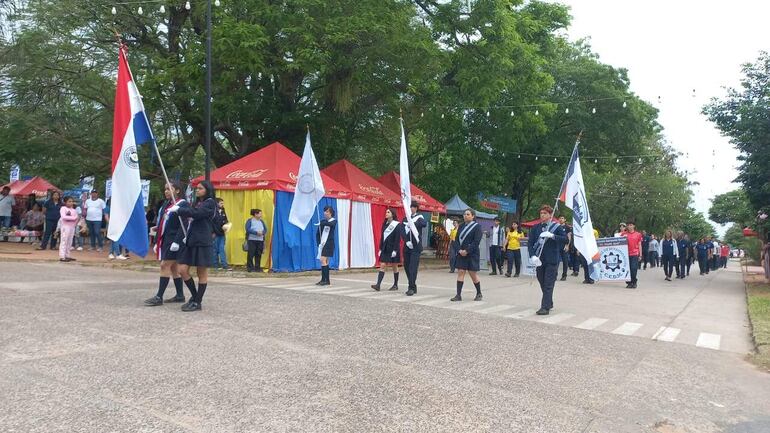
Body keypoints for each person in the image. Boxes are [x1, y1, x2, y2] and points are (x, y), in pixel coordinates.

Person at [174, 181, 217, 312]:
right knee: (182, 269)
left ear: (207, 190)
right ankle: (194, 297)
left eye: (200, 188)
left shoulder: (210, 202)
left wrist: (180, 210)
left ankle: (197, 302)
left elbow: (197, 213)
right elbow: (193, 214)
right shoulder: (197, 203)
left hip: (203, 241)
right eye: (196, 188)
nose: (197, 190)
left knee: (201, 272)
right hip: (192, 240)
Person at [144, 181, 189, 306]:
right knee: (174, 268)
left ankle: (159, 296)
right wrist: (158, 229)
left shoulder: (183, 204)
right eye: (165, 189)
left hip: (175, 240)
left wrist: (177, 241)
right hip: (166, 238)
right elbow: (166, 222)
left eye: (169, 189)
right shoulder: (167, 204)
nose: (166, 191)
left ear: (177, 191)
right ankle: (180, 295)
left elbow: (184, 224)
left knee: (164, 265)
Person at [527, 205, 568, 315]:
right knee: (542, 282)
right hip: (539, 260)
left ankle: (545, 308)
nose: (542, 215)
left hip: (552, 259)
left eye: (545, 213)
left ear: (550, 215)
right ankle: (549, 302)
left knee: (548, 284)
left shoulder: (557, 227)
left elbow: (565, 239)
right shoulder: (536, 228)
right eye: (541, 213)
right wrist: (532, 256)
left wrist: (553, 236)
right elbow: (530, 243)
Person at [450, 208, 483, 302]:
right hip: (461, 253)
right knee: (461, 272)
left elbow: (476, 242)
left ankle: (479, 293)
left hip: (472, 253)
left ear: (473, 216)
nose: (465, 216)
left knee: (473, 274)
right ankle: (458, 295)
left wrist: (467, 251)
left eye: (468, 214)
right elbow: (455, 240)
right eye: (464, 214)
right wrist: (459, 250)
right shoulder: (460, 226)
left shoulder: (477, 227)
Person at [371, 208, 402, 291]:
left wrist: (395, 250)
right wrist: (380, 248)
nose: (386, 213)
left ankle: (395, 285)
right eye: (386, 212)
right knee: (383, 265)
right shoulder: (385, 223)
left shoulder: (397, 224)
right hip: (385, 248)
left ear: (393, 214)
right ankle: (378, 285)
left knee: (394, 266)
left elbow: (397, 238)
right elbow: (382, 237)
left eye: (388, 212)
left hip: (393, 248)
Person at [402, 201, 427, 296]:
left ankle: (411, 287)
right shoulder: (405, 218)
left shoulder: (419, 217)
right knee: (406, 266)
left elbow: (424, 224)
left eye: (413, 207)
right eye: (410, 207)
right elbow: (402, 230)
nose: (411, 208)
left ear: (416, 208)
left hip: (416, 246)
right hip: (407, 245)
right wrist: (406, 240)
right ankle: (413, 284)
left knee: (413, 267)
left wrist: (413, 224)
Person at [316, 206, 337, 286]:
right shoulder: (323, 221)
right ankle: (325, 280)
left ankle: (325, 280)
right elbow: (318, 233)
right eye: (325, 211)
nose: (325, 213)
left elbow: (330, 224)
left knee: (323, 259)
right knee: (325, 261)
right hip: (322, 243)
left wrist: (322, 223)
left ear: (331, 213)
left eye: (327, 211)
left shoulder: (334, 221)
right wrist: (318, 242)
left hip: (329, 244)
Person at [621, 221, 643, 289]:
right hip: (626, 254)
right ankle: (629, 283)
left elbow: (639, 244)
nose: (629, 226)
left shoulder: (638, 234)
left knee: (633, 268)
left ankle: (634, 282)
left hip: (635, 253)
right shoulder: (624, 234)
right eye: (628, 225)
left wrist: (640, 255)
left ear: (634, 226)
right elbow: (620, 243)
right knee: (628, 269)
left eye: (631, 225)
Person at [58, 196, 78, 262]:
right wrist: (73, 218)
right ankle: (62, 256)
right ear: (65, 202)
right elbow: (64, 217)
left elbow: (76, 218)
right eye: (69, 201)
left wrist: (73, 220)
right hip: (65, 226)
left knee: (70, 241)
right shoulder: (63, 208)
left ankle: (67, 255)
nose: (71, 203)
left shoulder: (74, 210)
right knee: (64, 240)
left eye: (72, 201)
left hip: (72, 227)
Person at [212, 198, 231, 271]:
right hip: (215, 234)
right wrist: (212, 232)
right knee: (215, 250)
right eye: (221, 203)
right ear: (216, 204)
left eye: (223, 203)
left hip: (222, 233)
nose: (222, 205)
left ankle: (224, 265)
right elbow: (210, 223)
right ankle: (215, 265)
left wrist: (227, 225)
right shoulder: (213, 212)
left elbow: (225, 220)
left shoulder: (223, 210)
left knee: (222, 249)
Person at [558, 215, 571, 281]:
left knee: (565, 261)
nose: (561, 219)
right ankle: (554, 275)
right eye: (560, 218)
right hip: (557, 246)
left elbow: (569, 237)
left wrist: (567, 245)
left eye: (562, 218)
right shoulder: (557, 226)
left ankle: (564, 275)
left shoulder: (567, 227)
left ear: (564, 219)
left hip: (564, 246)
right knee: (556, 261)